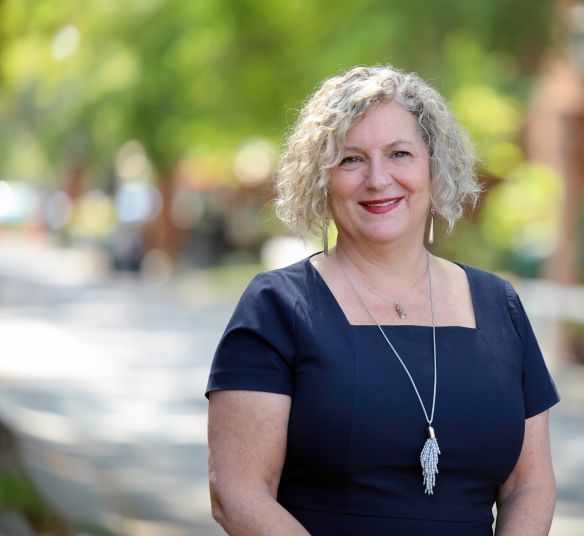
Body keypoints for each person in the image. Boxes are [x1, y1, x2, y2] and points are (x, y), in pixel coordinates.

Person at [206, 65, 560, 536]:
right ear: (321, 177)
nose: (378, 179)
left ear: (433, 166)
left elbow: (529, 484)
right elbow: (238, 494)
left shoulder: (500, 306)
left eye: (399, 154)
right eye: (351, 159)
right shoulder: (277, 308)